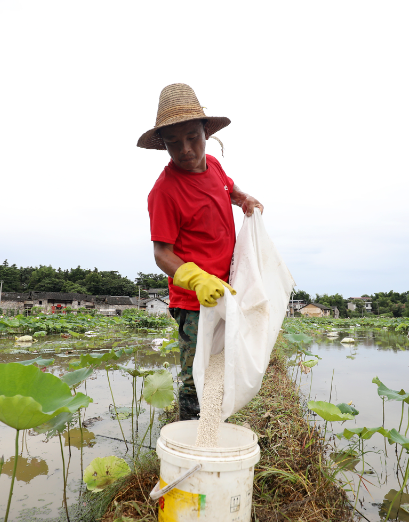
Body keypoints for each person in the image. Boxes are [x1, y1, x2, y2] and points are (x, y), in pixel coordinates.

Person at [138, 83, 263, 420]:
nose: (186, 150)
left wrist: (244, 199)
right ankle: (191, 437)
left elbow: (229, 189)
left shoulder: (215, 167)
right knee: (196, 375)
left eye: (192, 136)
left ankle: (215, 425)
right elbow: (162, 253)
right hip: (194, 300)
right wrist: (196, 278)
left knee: (223, 366)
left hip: (227, 289)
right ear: (162, 144)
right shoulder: (164, 192)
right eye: (173, 143)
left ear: (206, 131)